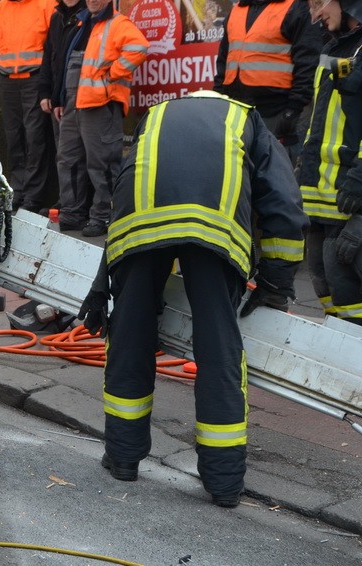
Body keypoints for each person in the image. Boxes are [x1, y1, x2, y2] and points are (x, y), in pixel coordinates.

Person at [79, 90, 307, 508]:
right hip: (214, 234)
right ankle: (223, 484)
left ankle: (123, 458)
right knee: (218, 349)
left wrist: (103, 282)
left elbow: (124, 192)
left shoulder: (154, 117)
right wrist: (276, 282)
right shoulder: (247, 118)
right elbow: (284, 203)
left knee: (129, 339)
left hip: (140, 229)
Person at [55, 0, 149, 237]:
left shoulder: (118, 24)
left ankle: (103, 216)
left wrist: (113, 73)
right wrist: (61, 98)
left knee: (103, 164)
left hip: (102, 105)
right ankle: (72, 212)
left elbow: (140, 48)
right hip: (76, 104)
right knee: (68, 159)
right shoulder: (85, 22)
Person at [297, 0, 362, 323]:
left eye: (321, 2)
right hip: (323, 195)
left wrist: (358, 177)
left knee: (347, 283)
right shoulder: (335, 48)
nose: (316, 14)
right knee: (325, 282)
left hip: (350, 193)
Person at [214, 0, 322, 161]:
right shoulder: (238, 9)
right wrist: (218, 96)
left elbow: (307, 62)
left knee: (275, 176)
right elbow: (224, 59)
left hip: (276, 111)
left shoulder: (296, 7)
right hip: (236, 108)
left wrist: (293, 109)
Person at [0, 0, 59, 213]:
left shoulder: (47, 3)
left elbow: (54, 42)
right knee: (14, 138)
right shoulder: (2, 7)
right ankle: (17, 189)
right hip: (7, 81)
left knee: (35, 138)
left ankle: (34, 195)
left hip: (34, 80)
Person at [37, 0, 89, 216]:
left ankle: (77, 204)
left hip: (76, 97)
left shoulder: (87, 19)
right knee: (62, 153)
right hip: (58, 96)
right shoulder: (57, 18)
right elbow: (50, 57)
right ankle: (65, 200)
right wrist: (46, 93)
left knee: (74, 154)